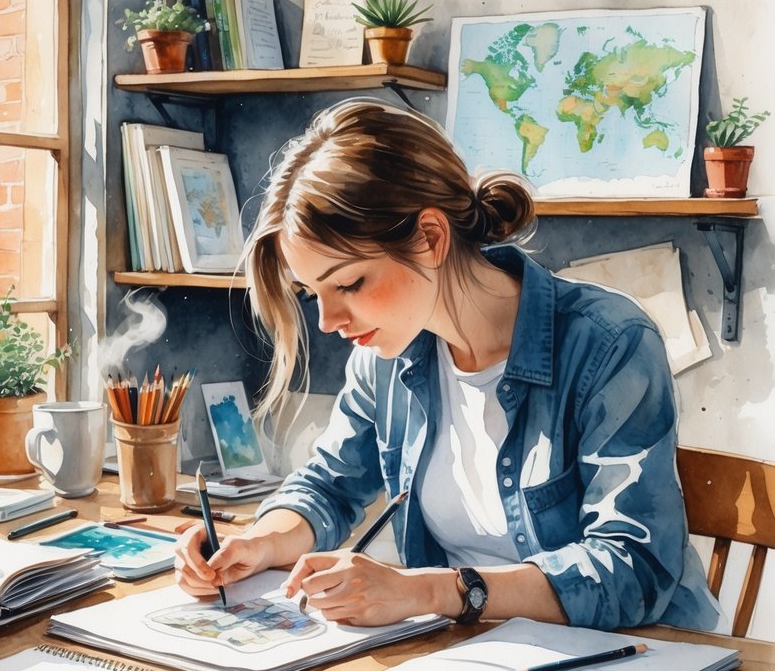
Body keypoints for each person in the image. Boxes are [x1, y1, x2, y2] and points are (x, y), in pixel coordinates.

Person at [175, 100, 720, 634]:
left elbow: (632, 568)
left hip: (642, 667)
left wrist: (430, 591)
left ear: (431, 237)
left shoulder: (608, 343)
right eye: (313, 292)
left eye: (347, 284)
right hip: (477, 662)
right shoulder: (383, 357)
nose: (328, 320)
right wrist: (260, 541)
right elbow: (330, 487)